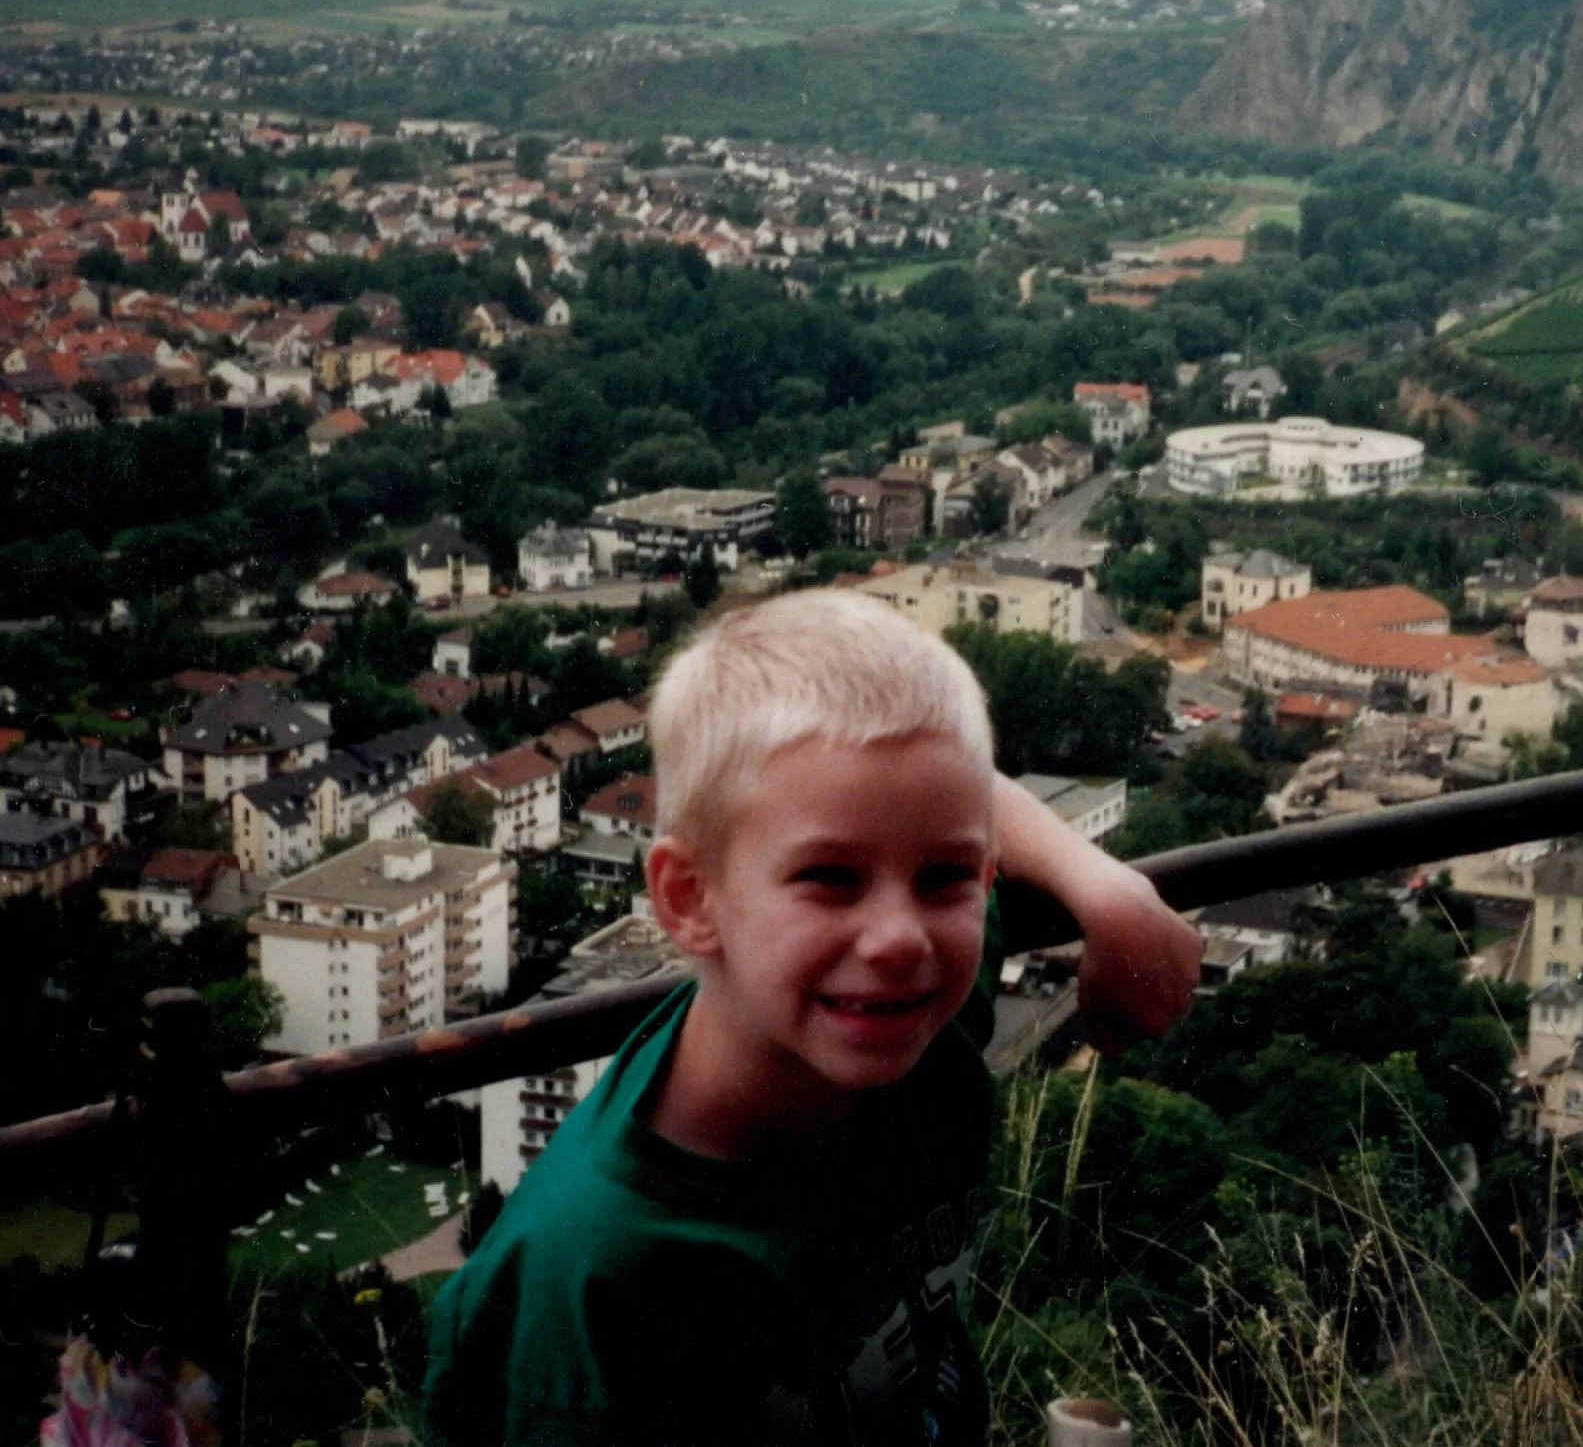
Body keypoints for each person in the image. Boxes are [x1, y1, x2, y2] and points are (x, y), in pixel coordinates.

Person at [424, 589, 1200, 1447]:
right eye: (830, 878)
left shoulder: (903, 1015)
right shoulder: (594, 1288)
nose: (900, 936)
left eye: (944, 877)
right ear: (690, 899)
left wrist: (1109, 891)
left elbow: (948, 787)